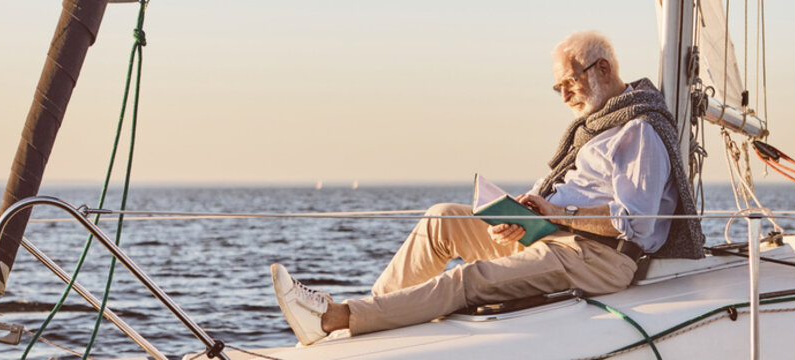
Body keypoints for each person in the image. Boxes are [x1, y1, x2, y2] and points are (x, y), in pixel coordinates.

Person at [270, 30, 705, 345]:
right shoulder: (592, 129)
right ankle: (380, 317)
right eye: (557, 87)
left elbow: (639, 226)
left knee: (469, 279)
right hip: (553, 235)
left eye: (569, 83)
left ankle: (334, 318)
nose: (565, 96)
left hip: (599, 258)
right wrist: (521, 218)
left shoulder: (638, 131)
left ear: (604, 68)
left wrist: (554, 216)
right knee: (441, 220)